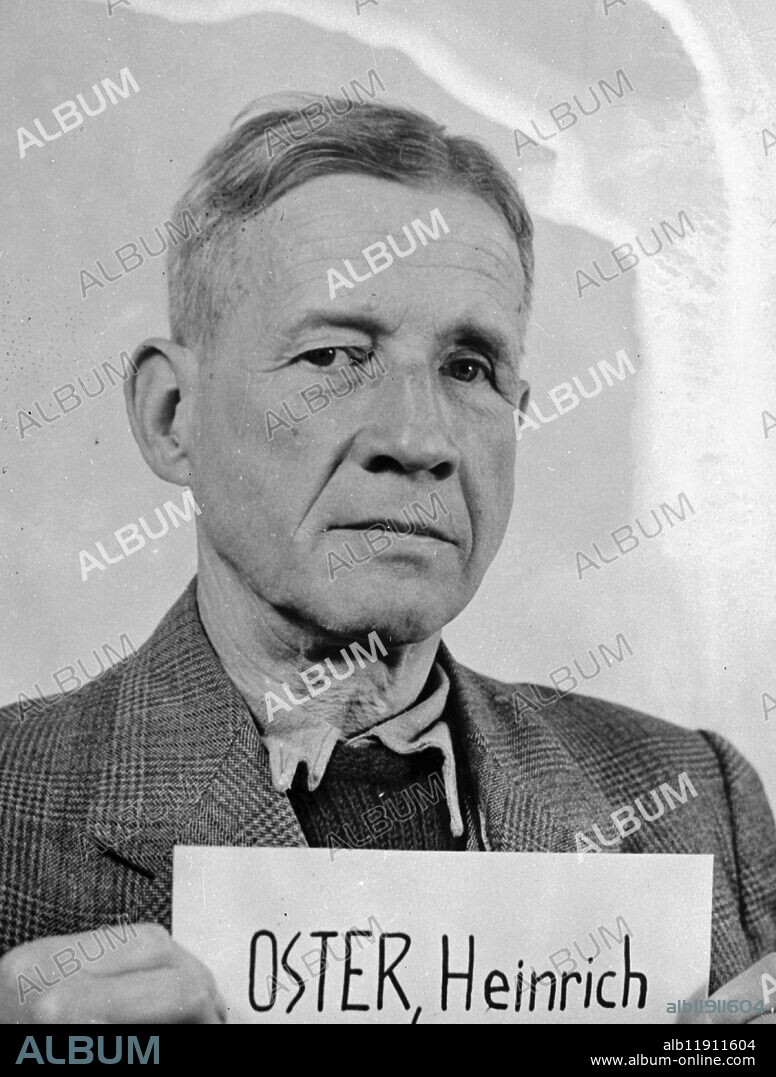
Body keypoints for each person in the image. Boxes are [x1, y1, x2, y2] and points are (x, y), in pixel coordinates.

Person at [1, 94, 774, 1025]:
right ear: (173, 417)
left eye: (469, 367)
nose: (419, 439)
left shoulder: (695, 800)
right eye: (334, 356)